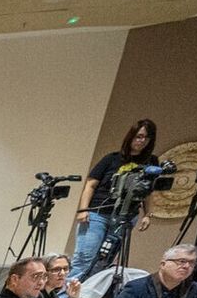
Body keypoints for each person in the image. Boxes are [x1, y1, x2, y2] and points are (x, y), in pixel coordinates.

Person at [69, 119, 160, 280]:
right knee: (84, 259)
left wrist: (148, 214)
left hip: (125, 217)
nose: (142, 141)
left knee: (104, 262)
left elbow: (148, 191)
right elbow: (90, 184)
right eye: (139, 136)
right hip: (97, 213)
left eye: (146, 138)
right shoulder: (112, 159)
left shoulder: (151, 162)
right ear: (131, 136)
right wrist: (83, 210)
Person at [111, 243, 197, 298]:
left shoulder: (196, 290)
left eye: (192, 263)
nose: (186, 266)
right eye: (182, 261)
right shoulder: (137, 286)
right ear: (163, 264)